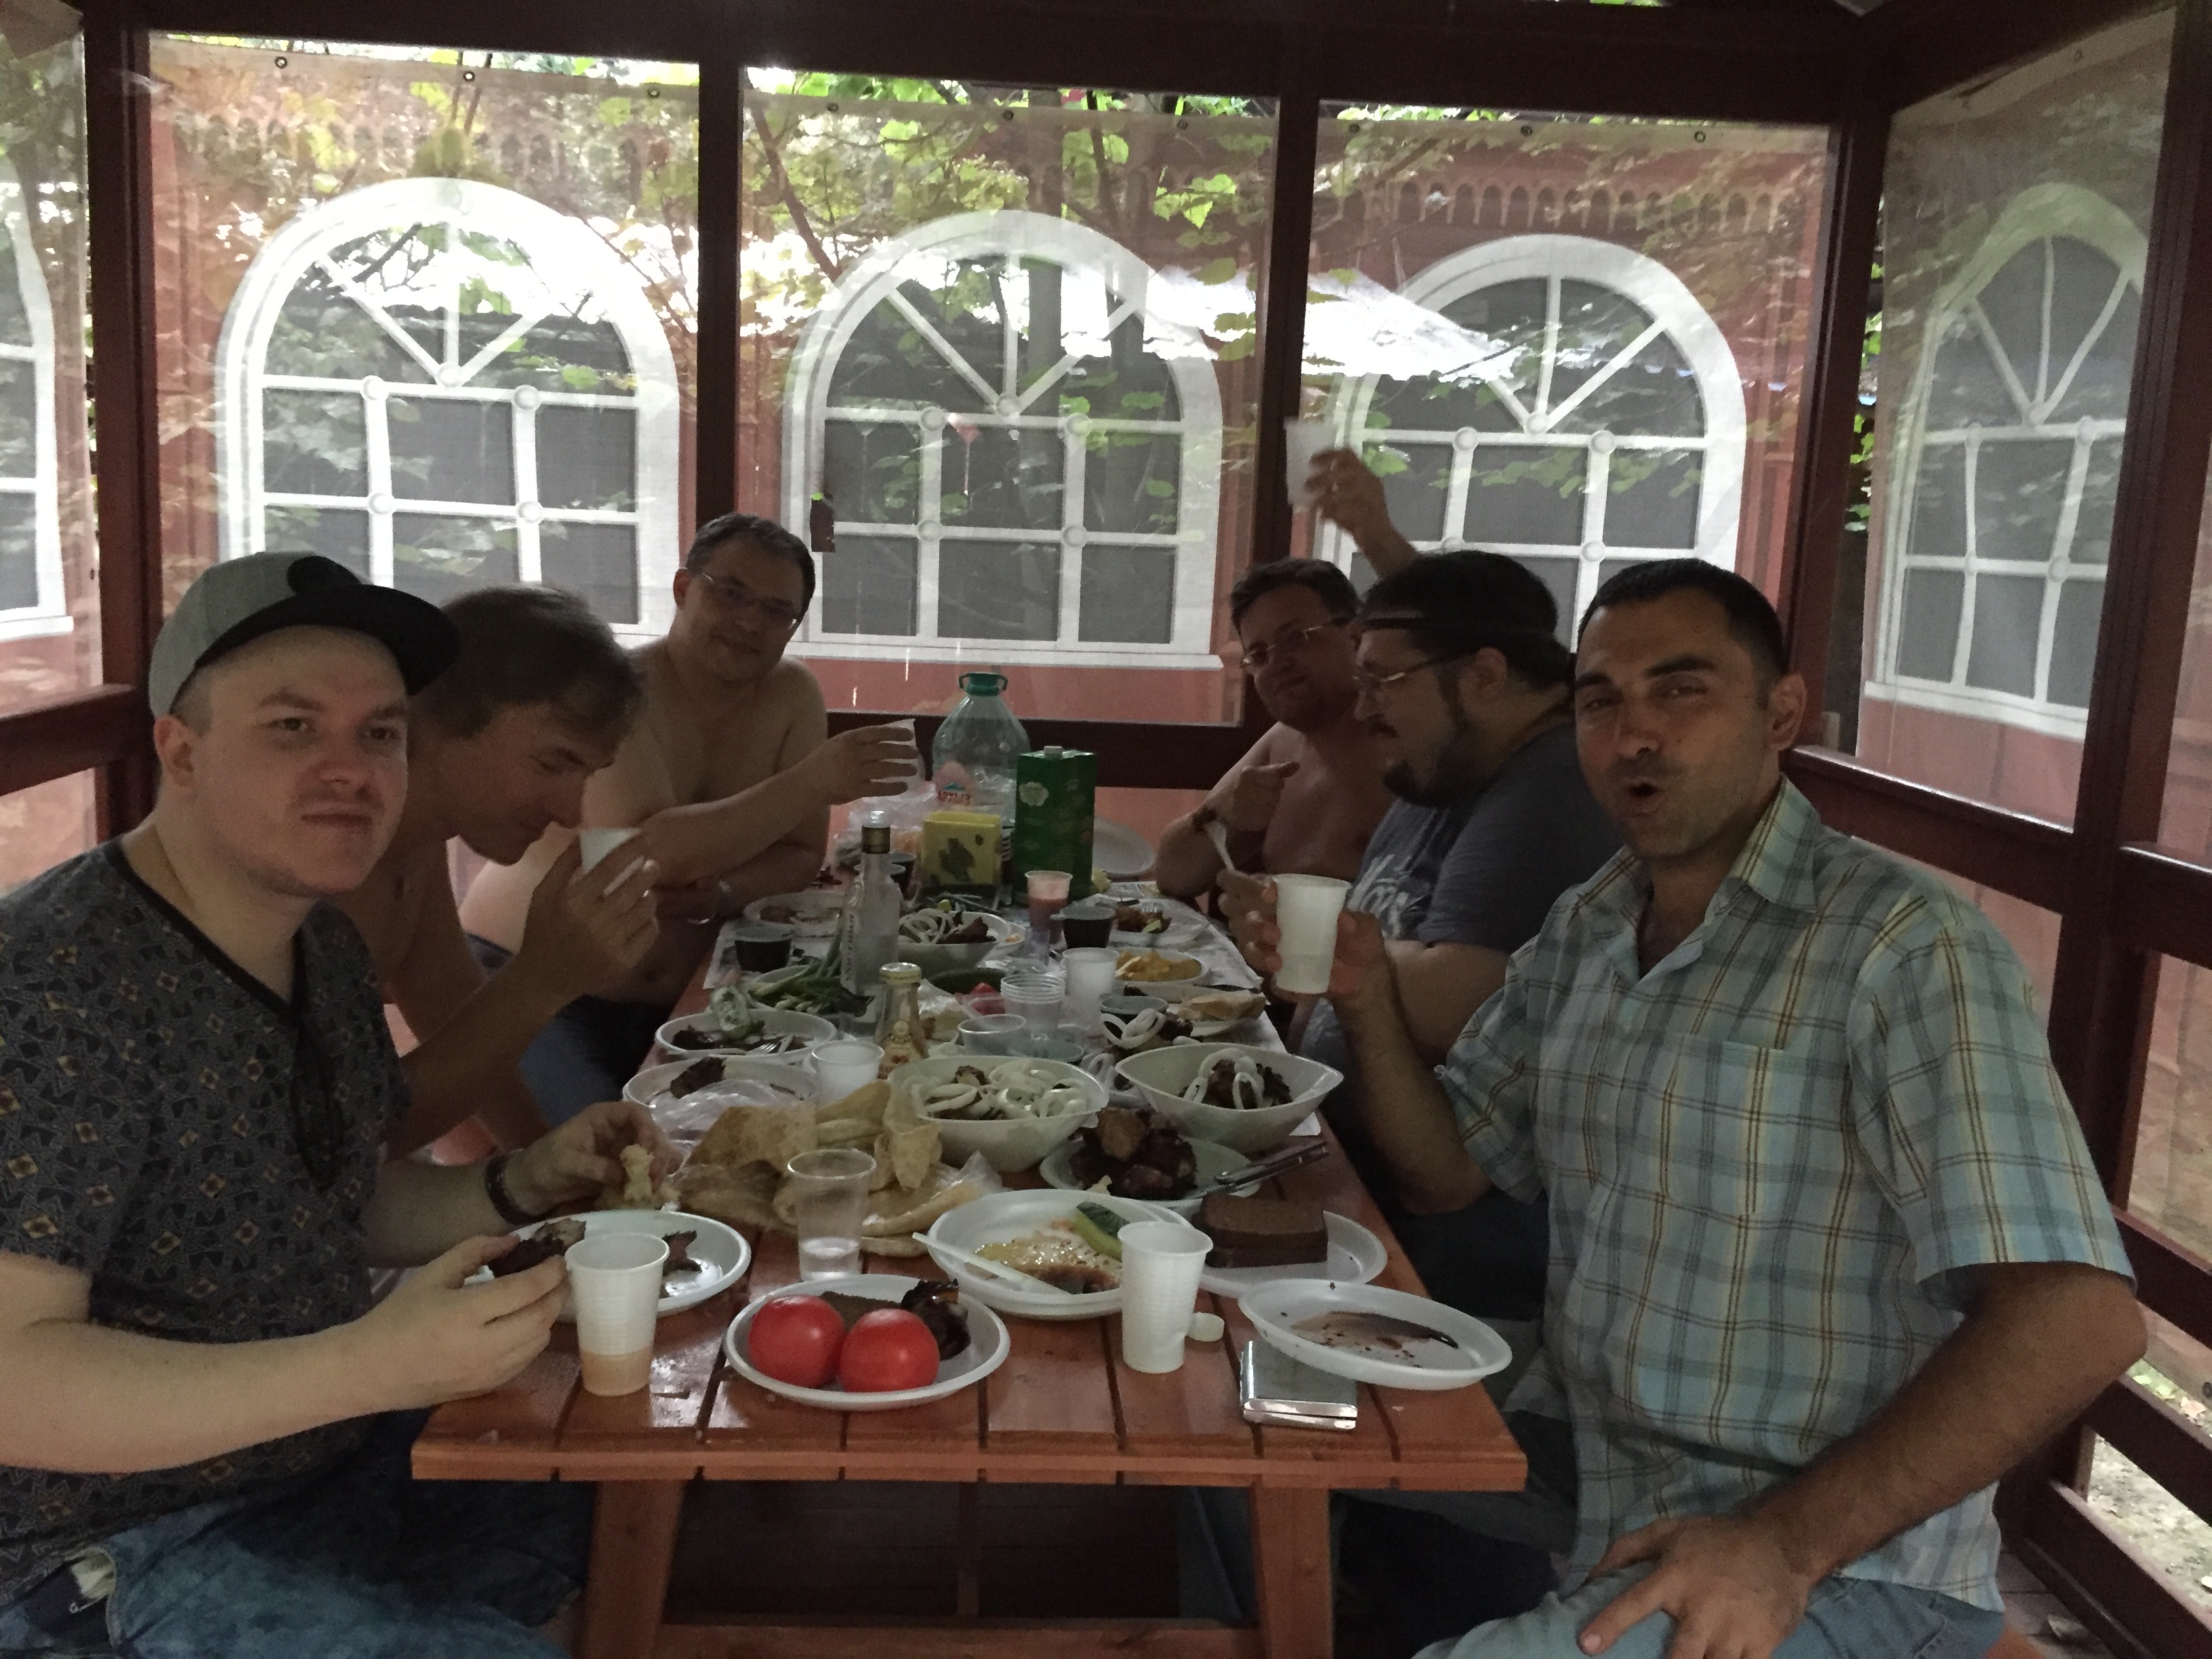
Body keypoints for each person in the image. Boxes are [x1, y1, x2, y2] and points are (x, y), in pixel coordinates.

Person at [1244, 558, 2144, 1659]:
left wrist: (1781, 1545)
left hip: (1819, 1548)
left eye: (1680, 690)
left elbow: (2079, 1318)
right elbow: (1446, 1171)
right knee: (1241, 1389)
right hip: (1592, 1446)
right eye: (1600, 700)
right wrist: (1362, 993)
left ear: (1780, 713)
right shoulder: (1589, 926)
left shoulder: (1900, 946)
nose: (1634, 734)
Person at [0, 552, 673, 1658]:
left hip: (317, 1456)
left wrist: (517, 1180)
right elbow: (14, 1381)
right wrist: (367, 1363)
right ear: (180, 749)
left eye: (380, 733)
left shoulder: (316, 943)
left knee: (637, 1473)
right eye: (292, 726)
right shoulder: (50, 985)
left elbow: (335, 1200)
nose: (350, 770)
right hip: (99, 1550)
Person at [1223, 550, 1619, 1328]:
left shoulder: (1552, 792)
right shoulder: (1437, 770)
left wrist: (1319, 944)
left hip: (1448, 1279)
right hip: (1337, 1186)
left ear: (1485, 675)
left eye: (1382, 680)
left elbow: (1459, 1000)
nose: (1362, 707)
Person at [460, 512, 918, 1122]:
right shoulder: (620, 691)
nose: (749, 622)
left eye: (776, 611)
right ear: (683, 589)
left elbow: (799, 855)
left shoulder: (792, 696)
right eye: (730, 594)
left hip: (681, 999)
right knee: (605, 1155)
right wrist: (812, 781)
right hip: (533, 984)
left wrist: (723, 892)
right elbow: (647, 855)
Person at [336, 584, 659, 1156]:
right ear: (440, 716)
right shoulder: (322, 858)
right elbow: (351, 1139)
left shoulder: (416, 842)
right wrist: (541, 979)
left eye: (587, 774)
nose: (571, 812)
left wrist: (544, 1160)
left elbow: (456, 1016)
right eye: (554, 763)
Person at [1153, 560, 1394, 899]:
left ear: (1355, 637)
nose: (1277, 664)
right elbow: (1173, 876)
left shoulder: (1404, 747)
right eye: (1259, 654)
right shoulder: (1283, 742)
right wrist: (1220, 810)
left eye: (1296, 638)